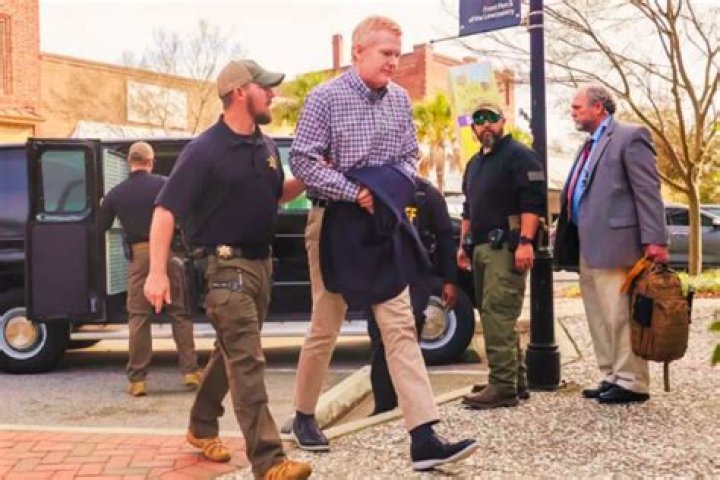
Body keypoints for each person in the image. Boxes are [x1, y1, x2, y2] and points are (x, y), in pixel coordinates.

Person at [289, 15, 477, 471]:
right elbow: (302, 160)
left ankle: (424, 436)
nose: (394, 62)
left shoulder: (399, 100)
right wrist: (354, 190)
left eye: (397, 53)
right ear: (358, 52)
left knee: (400, 325)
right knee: (326, 323)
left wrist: (383, 189)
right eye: (385, 53)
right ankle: (303, 415)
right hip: (333, 221)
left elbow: (409, 157)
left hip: (383, 220)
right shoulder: (324, 98)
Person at [143, 60, 311, 479]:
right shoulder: (204, 150)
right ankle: (270, 461)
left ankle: (201, 426)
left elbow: (276, 194)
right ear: (239, 92)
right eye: (265, 87)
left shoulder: (265, 146)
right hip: (223, 267)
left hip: (260, 265)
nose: (272, 94)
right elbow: (165, 210)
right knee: (248, 360)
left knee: (230, 352)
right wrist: (157, 273)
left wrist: (310, 176)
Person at [553, 84, 668, 404]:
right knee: (599, 314)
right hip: (587, 243)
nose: (572, 113)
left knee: (618, 315)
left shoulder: (630, 136)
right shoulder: (588, 144)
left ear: (598, 107)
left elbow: (648, 191)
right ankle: (612, 375)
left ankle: (632, 381)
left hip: (617, 244)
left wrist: (655, 239)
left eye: (577, 107)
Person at [457, 102, 545, 410]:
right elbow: (468, 208)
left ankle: (502, 387)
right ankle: (514, 381)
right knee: (494, 314)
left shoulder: (520, 155)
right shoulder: (474, 163)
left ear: (502, 121)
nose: (486, 125)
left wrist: (525, 242)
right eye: (479, 120)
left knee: (498, 312)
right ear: (473, 127)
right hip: (481, 248)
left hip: (506, 247)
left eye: (491, 119)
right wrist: (464, 244)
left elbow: (533, 203)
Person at [98, 141, 201, 397]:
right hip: (169, 252)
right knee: (179, 313)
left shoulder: (117, 192)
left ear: (128, 162)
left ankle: (138, 380)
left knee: (138, 317)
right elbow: (186, 215)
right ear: (151, 162)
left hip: (140, 256)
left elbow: (100, 226)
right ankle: (190, 372)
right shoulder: (166, 184)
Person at [367, 177, 457, 415]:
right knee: (378, 336)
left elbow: (445, 238)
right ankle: (384, 406)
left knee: (408, 333)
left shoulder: (427, 195)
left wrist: (450, 280)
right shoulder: (374, 188)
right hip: (381, 272)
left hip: (416, 273)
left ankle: (413, 407)